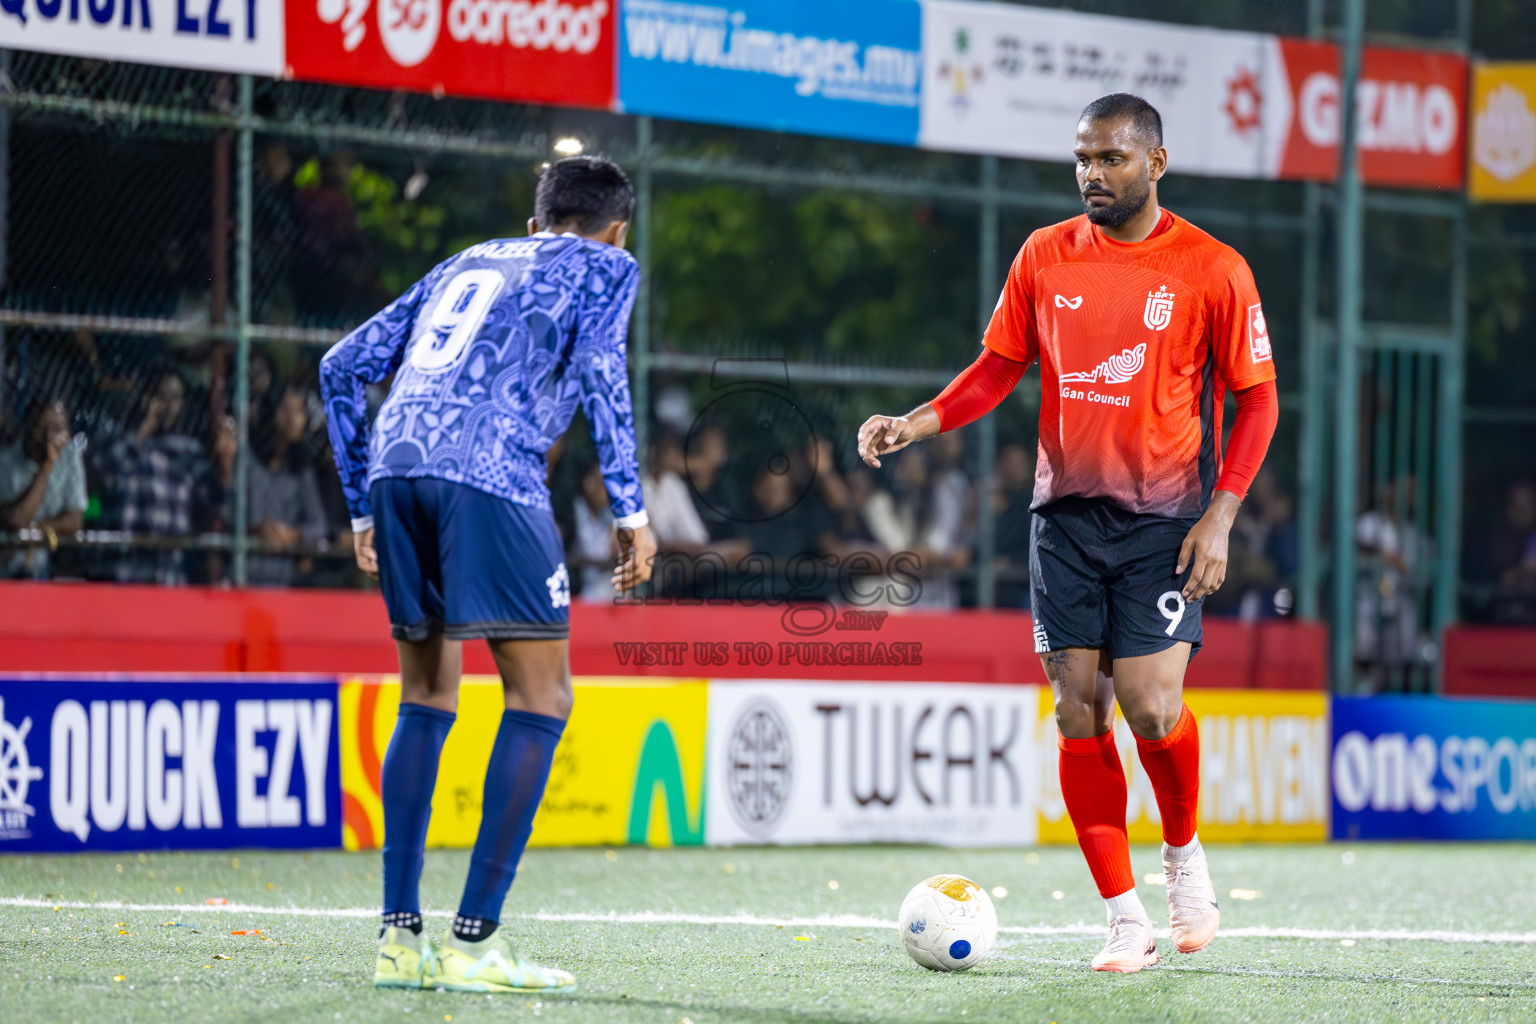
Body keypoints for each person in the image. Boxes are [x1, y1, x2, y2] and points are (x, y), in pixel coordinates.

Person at [857, 93, 1278, 973]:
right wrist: (916, 422)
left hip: (1166, 520)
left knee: (1153, 707)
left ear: (1156, 163)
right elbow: (999, 368)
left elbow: (1258, 399)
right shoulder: (1044, 255)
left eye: (1112, 159)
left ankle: (1182, 854)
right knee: (1079, 708)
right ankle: (1126, 918)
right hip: (1064, 521)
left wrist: (1223, 513)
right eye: (1083, 158)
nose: (1093, 173)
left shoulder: (1213, 269)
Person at [320, 156, 655, 995]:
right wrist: (630, 509)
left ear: (536, 223)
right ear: (619, 227)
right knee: (541, 698)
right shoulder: (608, 264)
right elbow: (604, 371)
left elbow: (340, 368)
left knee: (428, 696)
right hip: (491, 475)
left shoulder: (468, 259)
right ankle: (474, 942)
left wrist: (363, 508)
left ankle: (400, 942)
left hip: (398, 468)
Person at [247, 384, 330, 586]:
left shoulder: (300, 470)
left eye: (298, 411)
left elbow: (319, 526)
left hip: (280, 579)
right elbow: (232, 514)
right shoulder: (249, 461)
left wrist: (292, 535)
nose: (293, 419)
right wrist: (259, 530)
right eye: (286, 410)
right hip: (245, 572)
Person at [0, 399, 87, 579]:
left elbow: (74, 521)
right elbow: (17, 520)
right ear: (30, 427)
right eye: (44, 428)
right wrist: (47, 466)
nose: (52, 438)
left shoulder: (69, 456)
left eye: (60, 430)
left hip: (43, 572)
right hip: (7, 571)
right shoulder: (6, 463)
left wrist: (37, 527)